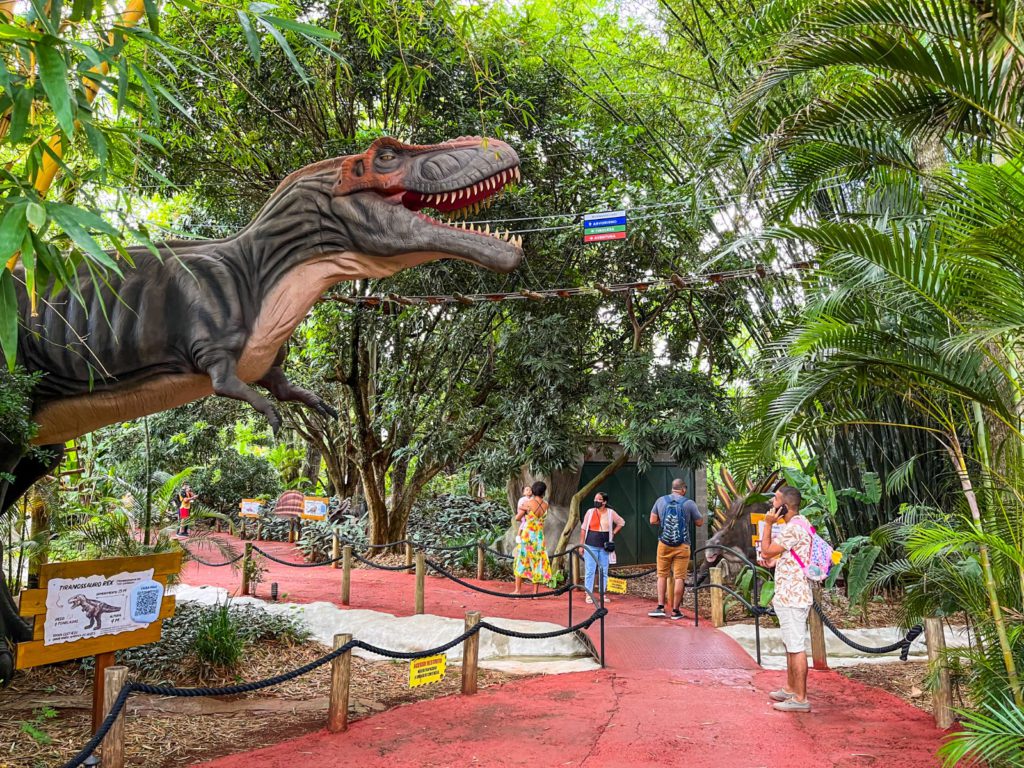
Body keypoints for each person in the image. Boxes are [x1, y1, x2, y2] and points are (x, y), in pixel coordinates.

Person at [758, 485, 813, 712]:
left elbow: (766, 550)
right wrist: (776, 561)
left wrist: (768, 524)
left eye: (776, 499)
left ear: (785, 506)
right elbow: (790, 553)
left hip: (793, 596)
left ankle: (800, 699)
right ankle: (791, 688)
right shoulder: (801, 523)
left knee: (796, 646)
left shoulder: (793, 528)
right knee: (790, 644)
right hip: (791, 593)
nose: (772, 503)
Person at [648, 478, 703, 619]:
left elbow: (652, 520)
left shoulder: (660, 501)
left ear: (672, 488)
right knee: (680, 577)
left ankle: (660, 607)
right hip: (682, 545)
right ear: (683, 489)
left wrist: (663, 522)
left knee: (662, 575)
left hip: (664, 544)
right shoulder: (689, 503)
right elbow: (700, 522)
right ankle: (675, 611)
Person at [580, 491, 625, 604]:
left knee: (604, 570)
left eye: (599, 499)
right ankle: (588, 594)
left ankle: (602, 593)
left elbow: (621, 522)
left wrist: (613, 532)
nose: (596, 501)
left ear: (604, 502)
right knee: (590, 570)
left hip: (604, 546)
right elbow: (583, 528)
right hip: (590, 544)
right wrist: (582, 545)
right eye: (595, 499)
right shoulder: (590, 512)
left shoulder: (610, 513)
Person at [513, 481, 553, 595]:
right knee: (537, 562)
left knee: (521, 559)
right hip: (539, 537)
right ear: (543, 492)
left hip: (527, 535)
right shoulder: (546, 505)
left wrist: (525, 512)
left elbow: (517, 518)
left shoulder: (528, 503)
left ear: (534, 491)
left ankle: (517, 590)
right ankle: (535, 593)